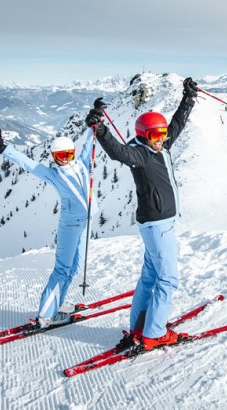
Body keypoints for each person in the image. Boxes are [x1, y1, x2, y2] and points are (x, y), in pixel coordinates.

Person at [85, 77, 198, 350]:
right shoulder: (140, 155)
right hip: (158, 226)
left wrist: (188, 99)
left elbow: (177, 126)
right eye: (154, 135)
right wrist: (100, 129)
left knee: (149, 277)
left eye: (162, 134)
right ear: (143, 135)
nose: (160, 139)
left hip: (159, 224)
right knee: (168, 279)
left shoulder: (162, 146)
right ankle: (154, 333)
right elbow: (118, 152)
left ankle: (140, 325)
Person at [0, 129, 97, 328]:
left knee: (74, 268)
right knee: (62, 269)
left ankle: (57, 305)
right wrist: (4, 149)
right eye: (60, 156)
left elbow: (90, 141)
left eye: (68, 155)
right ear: (54, 157)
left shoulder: (82, 163)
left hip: (85, 223)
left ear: (73, 153)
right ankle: (46, 316)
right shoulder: (53, 174)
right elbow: (28, 164)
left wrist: (94, 123)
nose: (64, 160)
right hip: (70, 225)